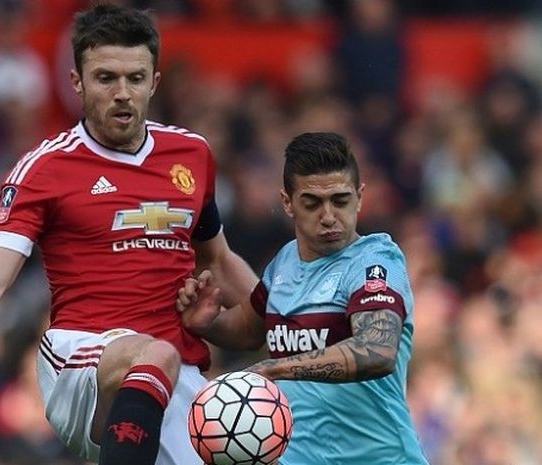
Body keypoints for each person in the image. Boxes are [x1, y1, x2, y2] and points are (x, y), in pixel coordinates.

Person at [0, 5, 257, 465]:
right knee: (152, 355)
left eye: (135, 78)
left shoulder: (192, 154)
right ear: (77, 83)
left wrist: (284, 318)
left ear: (155, 82)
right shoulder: (46, 169)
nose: (122, 94)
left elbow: (219, 259)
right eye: (105, 78)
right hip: (80, 359)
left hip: (170, 366)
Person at [177, 132, 430, 464]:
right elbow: (250, 330)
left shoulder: (374, 262)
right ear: (287, 203)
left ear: (360, 197)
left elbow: (377, 352)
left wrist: (277, 370)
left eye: (340, 200)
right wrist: (208, 323)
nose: (328, 216)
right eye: (312, 203)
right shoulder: (284, 263)